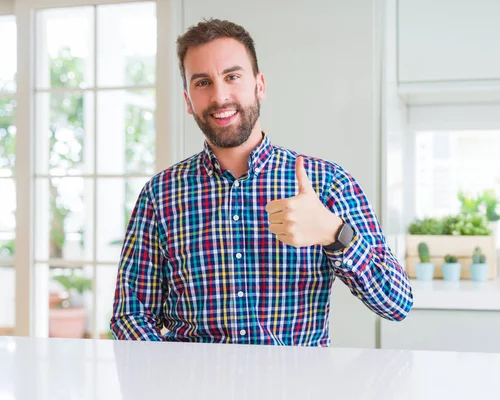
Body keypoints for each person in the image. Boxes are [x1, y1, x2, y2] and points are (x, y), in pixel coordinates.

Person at [110, 18, 413, 346]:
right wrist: (166, 378)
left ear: (260, 85)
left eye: (232, 76)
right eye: (202, 83)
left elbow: (397, 303)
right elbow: (131, 313)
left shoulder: (328, 183)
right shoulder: (161, 194)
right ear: (187, 100)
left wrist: (333, 233)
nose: (219, 95)